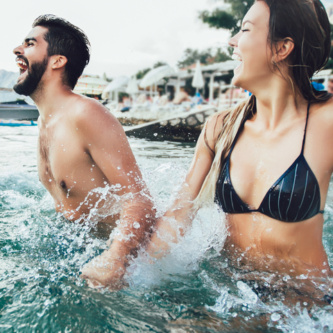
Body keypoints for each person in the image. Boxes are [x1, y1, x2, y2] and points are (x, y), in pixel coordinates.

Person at [147, 0, 333, 301]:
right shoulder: (219, 128)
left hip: (304, 308)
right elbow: (178, 216)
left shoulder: (326, 121)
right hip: (231, 297)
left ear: (282, 48)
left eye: (244, 29)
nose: (232, 40)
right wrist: (131, 270)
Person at [13, 14, 155, 289]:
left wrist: (115, 258)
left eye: (30, 43)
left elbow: (140, 201)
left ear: (57, 60)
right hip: (73, 249)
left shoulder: (86, 114)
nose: (17, 50)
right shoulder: (46, 121)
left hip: (123, 263)